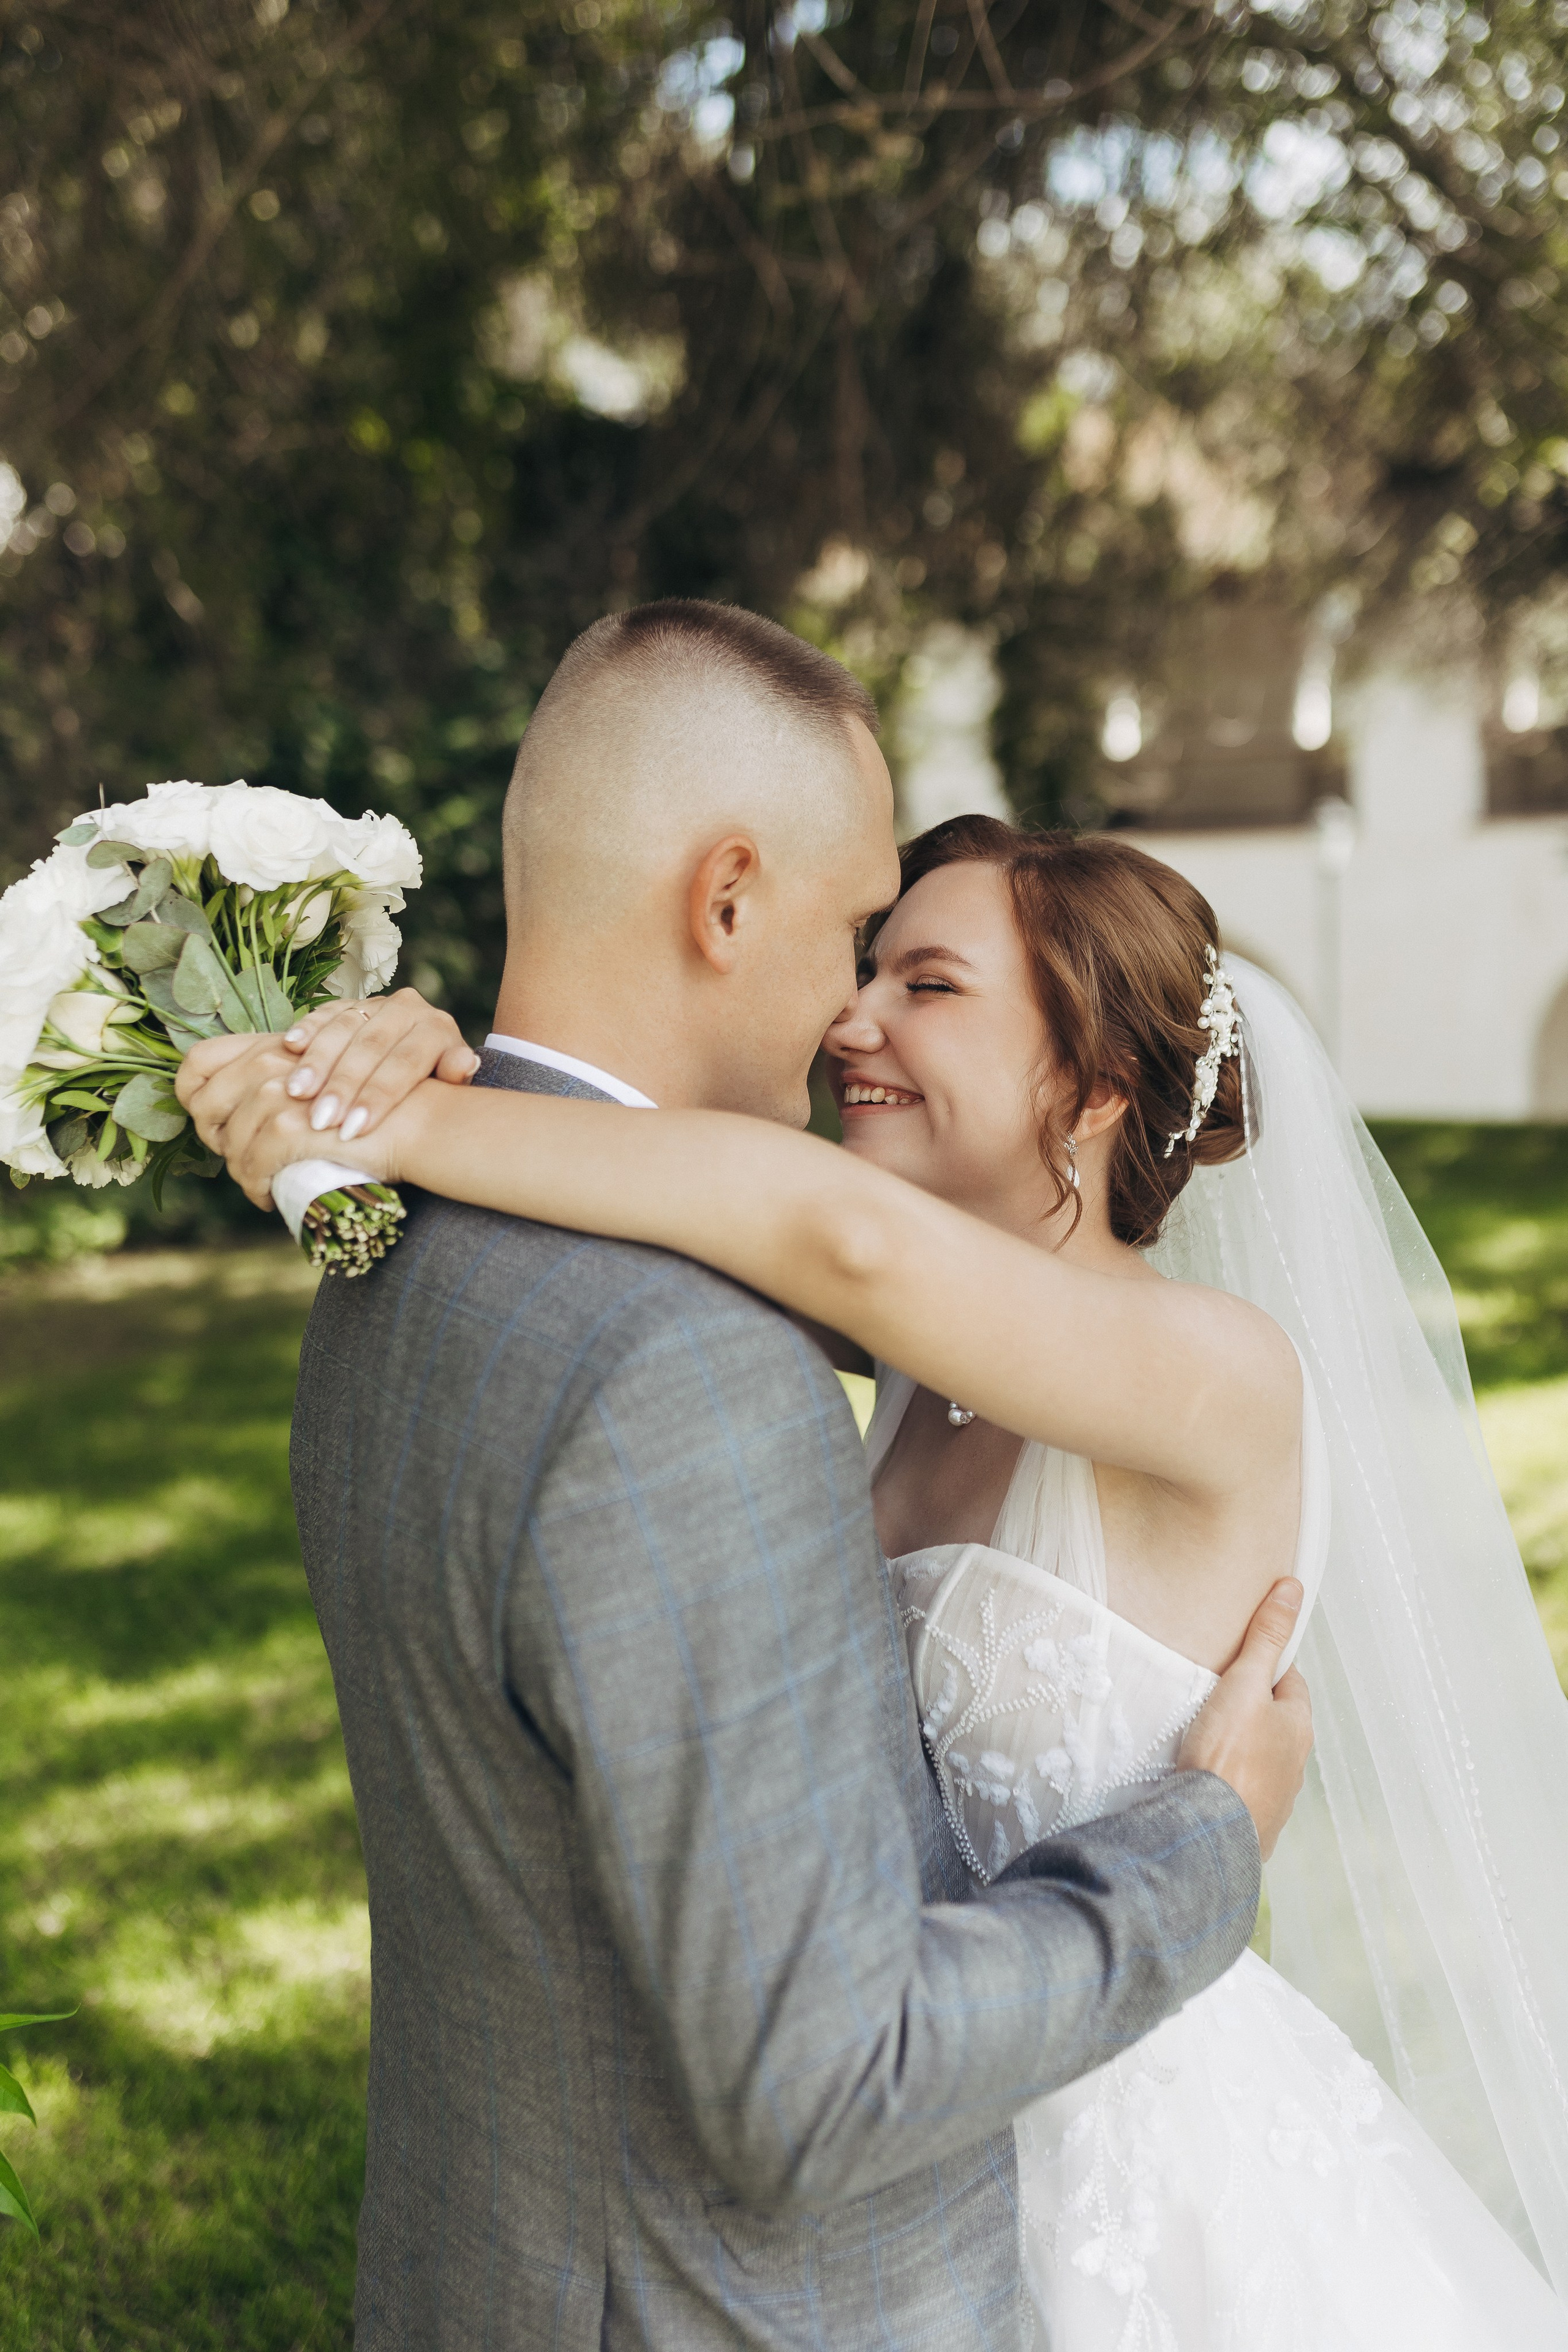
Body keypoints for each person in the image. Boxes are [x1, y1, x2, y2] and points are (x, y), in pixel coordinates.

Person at [179, 601, 1319, 2352]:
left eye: (917, 974)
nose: (853, 1009)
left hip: (1029, 2195)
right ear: (726, 900)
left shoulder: (392, 1267)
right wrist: (1208, 1844)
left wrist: (420, 1111)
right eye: (860, 933)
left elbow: (832, 1236)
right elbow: (814, 2074)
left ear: (1092, 1086)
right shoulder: (716, 1364)